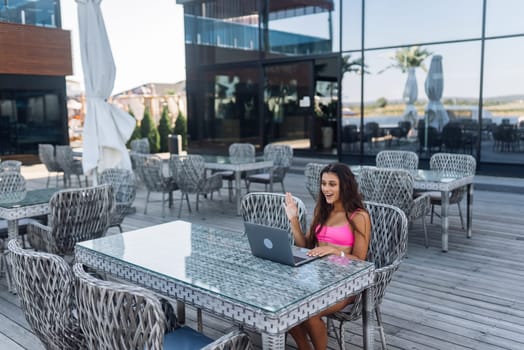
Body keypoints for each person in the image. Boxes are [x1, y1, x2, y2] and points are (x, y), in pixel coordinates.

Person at [283, 163, 371, 350]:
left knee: (309, 311)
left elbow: (361, 262)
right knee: (284, 303)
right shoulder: (322, 211)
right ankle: (304, 347)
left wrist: (335, 251)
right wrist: (293, 219)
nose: (326, 189)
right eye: (323, 184)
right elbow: (305, 246)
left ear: (344, 186)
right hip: (317, 278)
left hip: (346, 283)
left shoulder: (358, 216)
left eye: (332, 184)